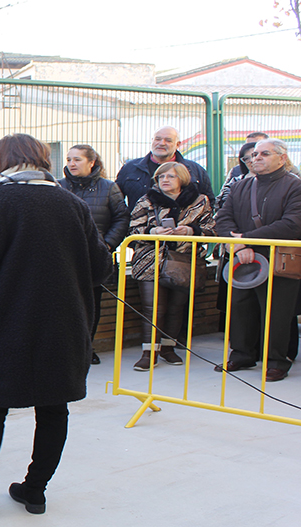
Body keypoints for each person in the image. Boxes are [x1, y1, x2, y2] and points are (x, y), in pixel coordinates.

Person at [0, 134, 112, 520]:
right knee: (54, 410)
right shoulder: (71, 203)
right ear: (40, 159)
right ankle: (35, 491)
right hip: (65, 326)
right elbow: (102, 268)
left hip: (4, 328)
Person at [214, 138, 301, 382]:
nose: (256, 158)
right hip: (243, 257)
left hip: (278, 260)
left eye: (264, 154)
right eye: (254, 155)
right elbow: (223, 217)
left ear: (282, 158)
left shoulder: (295, 187)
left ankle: (276, 361)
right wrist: (239, 244)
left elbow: (292, 223)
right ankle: (242, 354)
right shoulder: (241, 186)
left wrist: (247, 238)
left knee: (277, 312)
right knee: (241, 308)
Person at [127, 162, 216, 371]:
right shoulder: (147, 200)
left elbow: (211, 229)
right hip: (150, 261)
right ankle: (149, 353)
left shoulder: (199, 201)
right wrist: (153, 232)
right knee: (152, 309)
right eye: (161, 177)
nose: (165, 180)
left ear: (182, 179)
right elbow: (132, 231)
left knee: (177, 308)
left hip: (185, 260)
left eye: (171, 176)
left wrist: (191, 230)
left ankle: (168, 348)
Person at [58, 144, 130, 365]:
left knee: (90, 305)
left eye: (77, 159)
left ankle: (87, 347)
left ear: (92, 162)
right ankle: (64, 349)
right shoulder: (57, 186)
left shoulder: (109, 188)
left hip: (94, 258)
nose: (71, 163)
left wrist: (107, 245)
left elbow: (121, 218)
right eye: (69, 159)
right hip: (63, 257)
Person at [116, 126, 215, 210]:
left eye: (168, 140)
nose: (161, 143)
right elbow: (116, 201)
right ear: (152, 141)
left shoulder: (195, 170)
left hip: (182, 231)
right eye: (158, 139)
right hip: (140, 230)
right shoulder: (130, 168)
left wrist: (191, 228)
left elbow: (209, 203)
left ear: (178, 145)